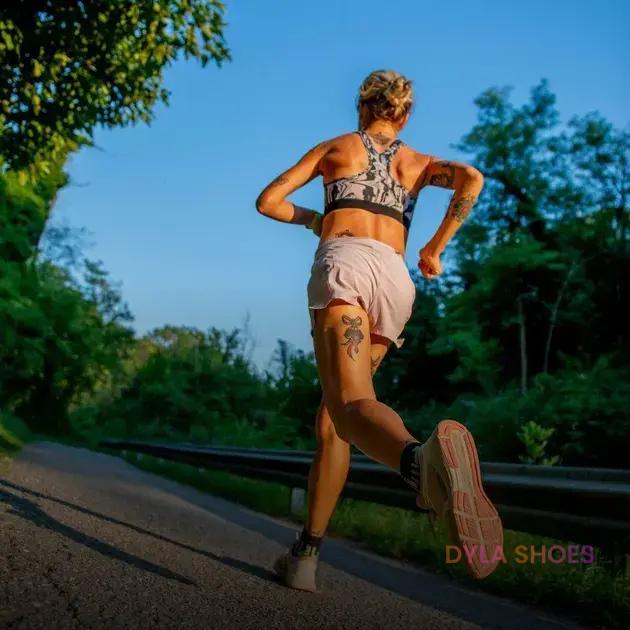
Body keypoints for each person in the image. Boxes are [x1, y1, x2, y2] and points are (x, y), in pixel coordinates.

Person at [255, 69, 503, 591]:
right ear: (405, 114)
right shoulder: (419, 163)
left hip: (345, 263)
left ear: (361, 107)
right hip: (395, 278)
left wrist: (312, 219)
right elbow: (472, 179)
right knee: (335, 419)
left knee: (348, 407)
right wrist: (435, 247)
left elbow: (268, 201)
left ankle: (422, 464)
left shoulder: (336, 147)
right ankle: (305, 555)